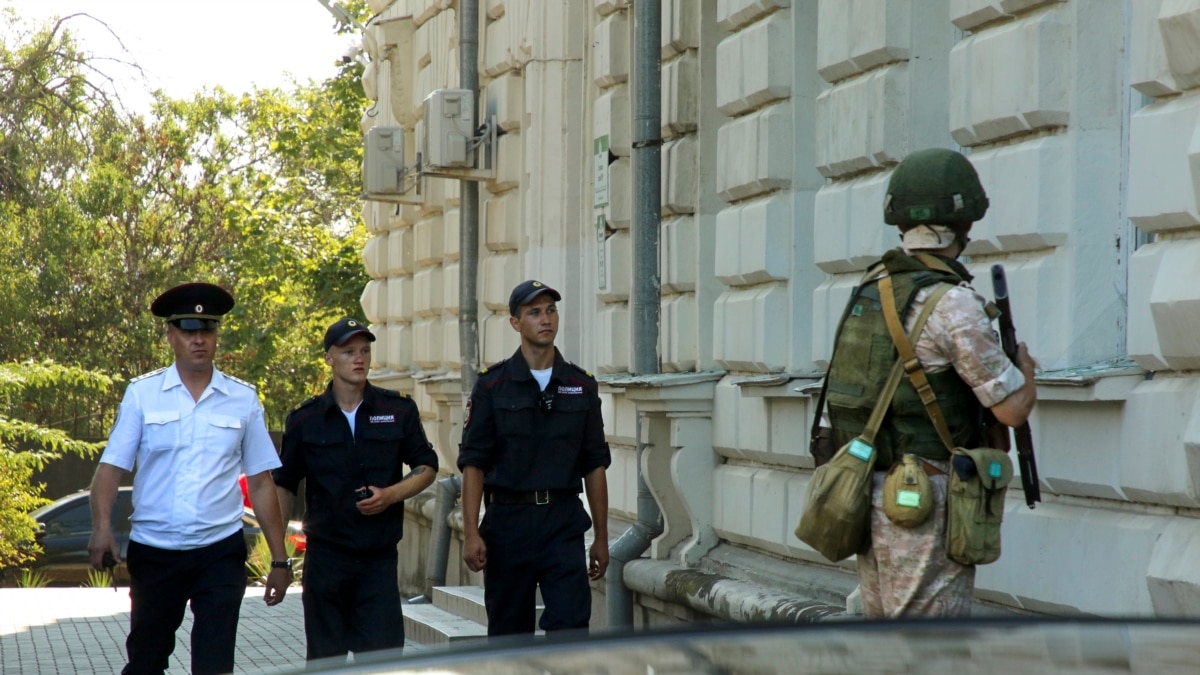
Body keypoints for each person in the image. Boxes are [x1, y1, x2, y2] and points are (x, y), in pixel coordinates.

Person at [824, 148, 1037, 618]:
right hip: (924, 499)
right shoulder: (954, 304)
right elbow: (1011, 410)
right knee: (929, 652)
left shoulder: (872, 288)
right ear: (964, 227)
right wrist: (1027, 370)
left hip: (866, 491)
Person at [88, 282, 293, 675]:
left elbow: (263, 481)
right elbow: (110, 468)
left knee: (215, 664)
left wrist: (280, 559)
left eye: (207, 330)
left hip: (219, 551)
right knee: (146, 660)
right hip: (156, 549)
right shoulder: (143, 395)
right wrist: (101, 529)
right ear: (171, 336)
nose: (199, 340)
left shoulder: (243, 399)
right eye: (188, 330)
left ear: (216, 335)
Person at [273, 317, 438, 661]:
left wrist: (391, 495)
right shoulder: (305, 420)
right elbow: (284, 486)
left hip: (378, 561)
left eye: (364, 351)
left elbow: (427, 467)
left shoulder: (397, 410)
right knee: (325, 662)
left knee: (383, 661)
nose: (359, 358)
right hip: (326, 561)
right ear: (329, 358)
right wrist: (279, 558)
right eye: (348, 352)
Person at [458, 280, 611, 637]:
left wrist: (602, 538)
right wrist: (470, 533)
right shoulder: (492, 386)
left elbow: (595, 464)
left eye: (551, 310)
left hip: (563, 524)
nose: (546, 319)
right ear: (516, 323)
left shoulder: (581, 385)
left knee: (571, 630)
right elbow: (473, 463)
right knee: (509, 635)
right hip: (509, 523)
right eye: (534, 312)